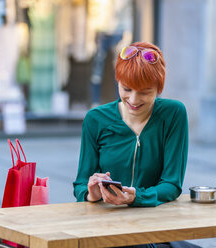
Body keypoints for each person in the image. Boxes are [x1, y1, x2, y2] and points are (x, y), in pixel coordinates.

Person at [73, 42, 200, 248]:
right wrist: (91, 194)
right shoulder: (96, 119)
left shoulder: (173, 114)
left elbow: (172, 184)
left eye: (145, 92)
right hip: (104, 228)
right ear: (118, 82)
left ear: (159, 89)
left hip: (154, 226)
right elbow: (80, 184)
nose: (133, 99)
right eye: (126, 88)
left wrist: (136, 197)